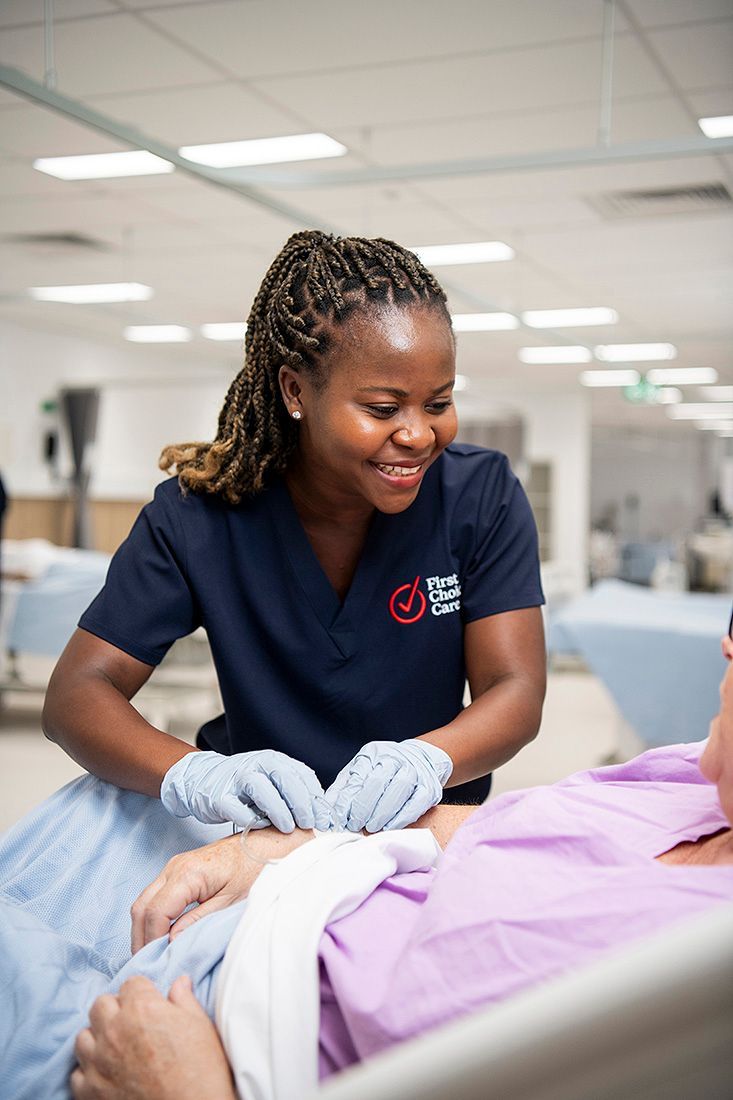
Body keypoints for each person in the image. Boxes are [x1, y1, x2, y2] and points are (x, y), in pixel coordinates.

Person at [2, 634, 729, 1099]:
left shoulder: (702, 978)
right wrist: (276, 846)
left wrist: (188, 1092)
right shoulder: (687, 778)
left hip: (205, 1033)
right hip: (266, 906)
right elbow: (508, 825)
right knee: (107, 803)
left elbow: (515, 689)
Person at [41, 231, 546, 836]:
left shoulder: (478, 495)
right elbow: (76, 694)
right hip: (254, 834)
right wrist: (198, 775)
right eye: (383, 409)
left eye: (438, 403)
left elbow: (515, 688)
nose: (417, 435)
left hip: (424, 829)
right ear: (295, 391)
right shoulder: (198, 519)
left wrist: (428, 760)